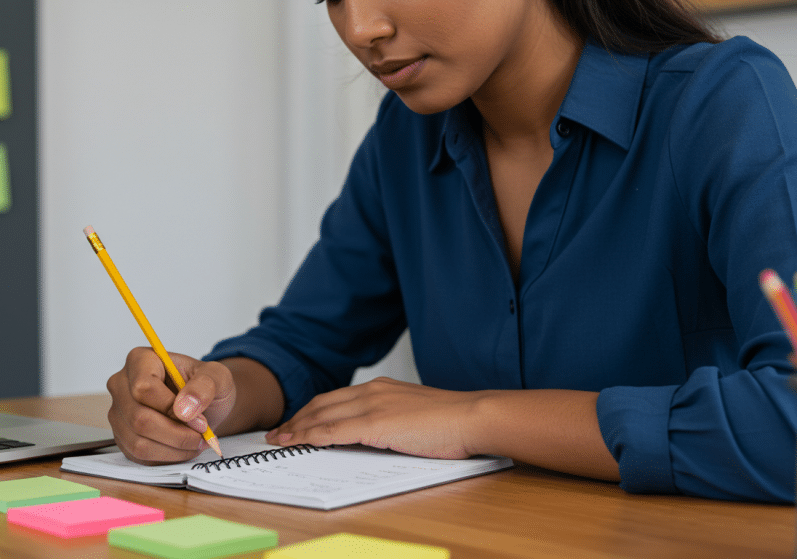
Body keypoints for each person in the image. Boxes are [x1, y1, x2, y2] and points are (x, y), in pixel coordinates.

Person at [106, 0, 797, 503]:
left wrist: (475, 417)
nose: (359, 29)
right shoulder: (404, 141)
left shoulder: (725, 102)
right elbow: (304, 342)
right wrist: (213, 395)